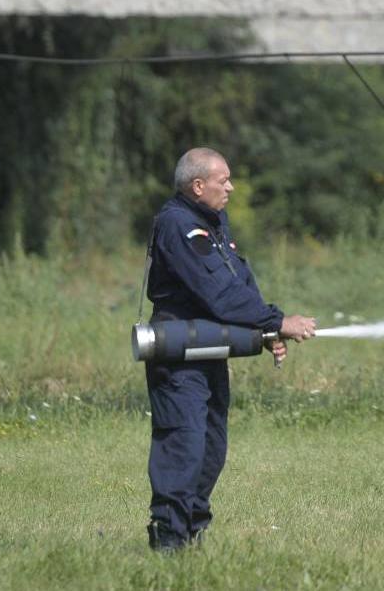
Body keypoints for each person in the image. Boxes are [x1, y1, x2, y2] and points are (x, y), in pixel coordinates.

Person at [143, 146, 316, 552]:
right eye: (224, 181)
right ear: (198, 185)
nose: (232, 188)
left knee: (212, 447)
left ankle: (193, 532)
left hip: (209, 348)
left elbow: (237, 280)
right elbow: (216, 292)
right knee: (184, 444)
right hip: (179, 352)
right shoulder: (177, 225)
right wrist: (275, 321)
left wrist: (266, 330)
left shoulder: (213, 220)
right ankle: (169, 539)